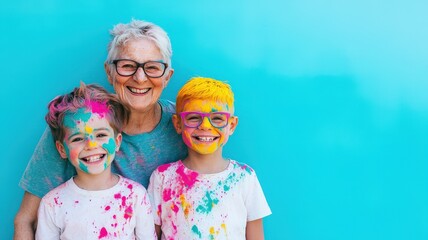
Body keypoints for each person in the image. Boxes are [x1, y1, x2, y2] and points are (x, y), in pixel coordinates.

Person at [14, 19, 187, 239]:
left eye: (152, 67)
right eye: (127, 65)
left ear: (167, 76)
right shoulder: (74, 122)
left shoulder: (185, 126)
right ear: (109, 71)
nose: (140, 78)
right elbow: (25, 219)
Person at [148, 77, 271, 240]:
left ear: (232, 125)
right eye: (193, 118)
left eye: (217, 118)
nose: (205, 126)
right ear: (178, 124)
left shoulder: (244, 177)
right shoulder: (162, 177)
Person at [36, 83, 156, 239]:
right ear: (62, 149)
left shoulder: (136, 196)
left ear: (117, 141)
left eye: (100, 135)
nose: (91, 145)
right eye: (78, 138)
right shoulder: (52, 204)